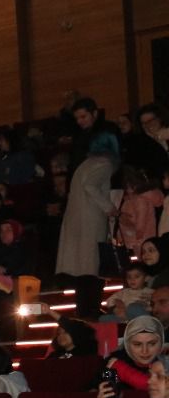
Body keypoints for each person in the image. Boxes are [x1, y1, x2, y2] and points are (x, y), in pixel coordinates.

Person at [55, 100, 121, 278]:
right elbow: (90, 185)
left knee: (77, 257)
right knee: (90, 258)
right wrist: (109, 207)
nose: (80, 121)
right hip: (91, 210)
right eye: (77, 118)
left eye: (83, 116)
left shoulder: (86, 161)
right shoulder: (103, 162)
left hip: (78, 208)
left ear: (95, 114)